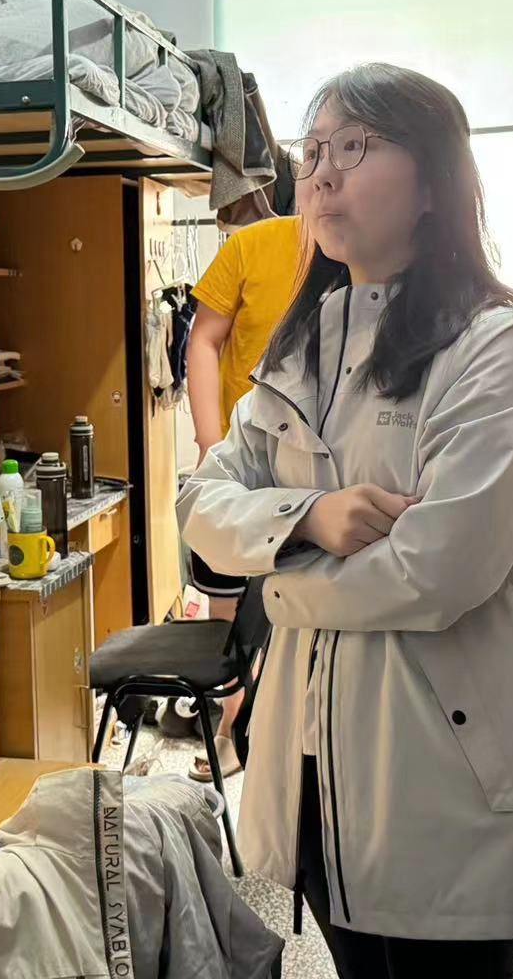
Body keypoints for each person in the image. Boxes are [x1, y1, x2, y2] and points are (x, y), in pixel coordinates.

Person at [178, 64, 513, 978]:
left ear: (435, 182)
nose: (321, 173)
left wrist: (274, 586)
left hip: (443, 773)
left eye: (355, 147)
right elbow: (200, 502)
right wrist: (310, 517)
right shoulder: (304, 343)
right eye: (314, 149)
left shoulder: (495, 349)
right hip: (314, 769)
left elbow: (434, 573)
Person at [184, 210, 302, 781]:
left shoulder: (367, 247)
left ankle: (284, 733)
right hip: (241, 457)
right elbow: (204, 339)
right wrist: (210, 443)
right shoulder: (252, 246)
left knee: (300, 604)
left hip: (314, 461)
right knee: (227, 605)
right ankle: (232, 726)